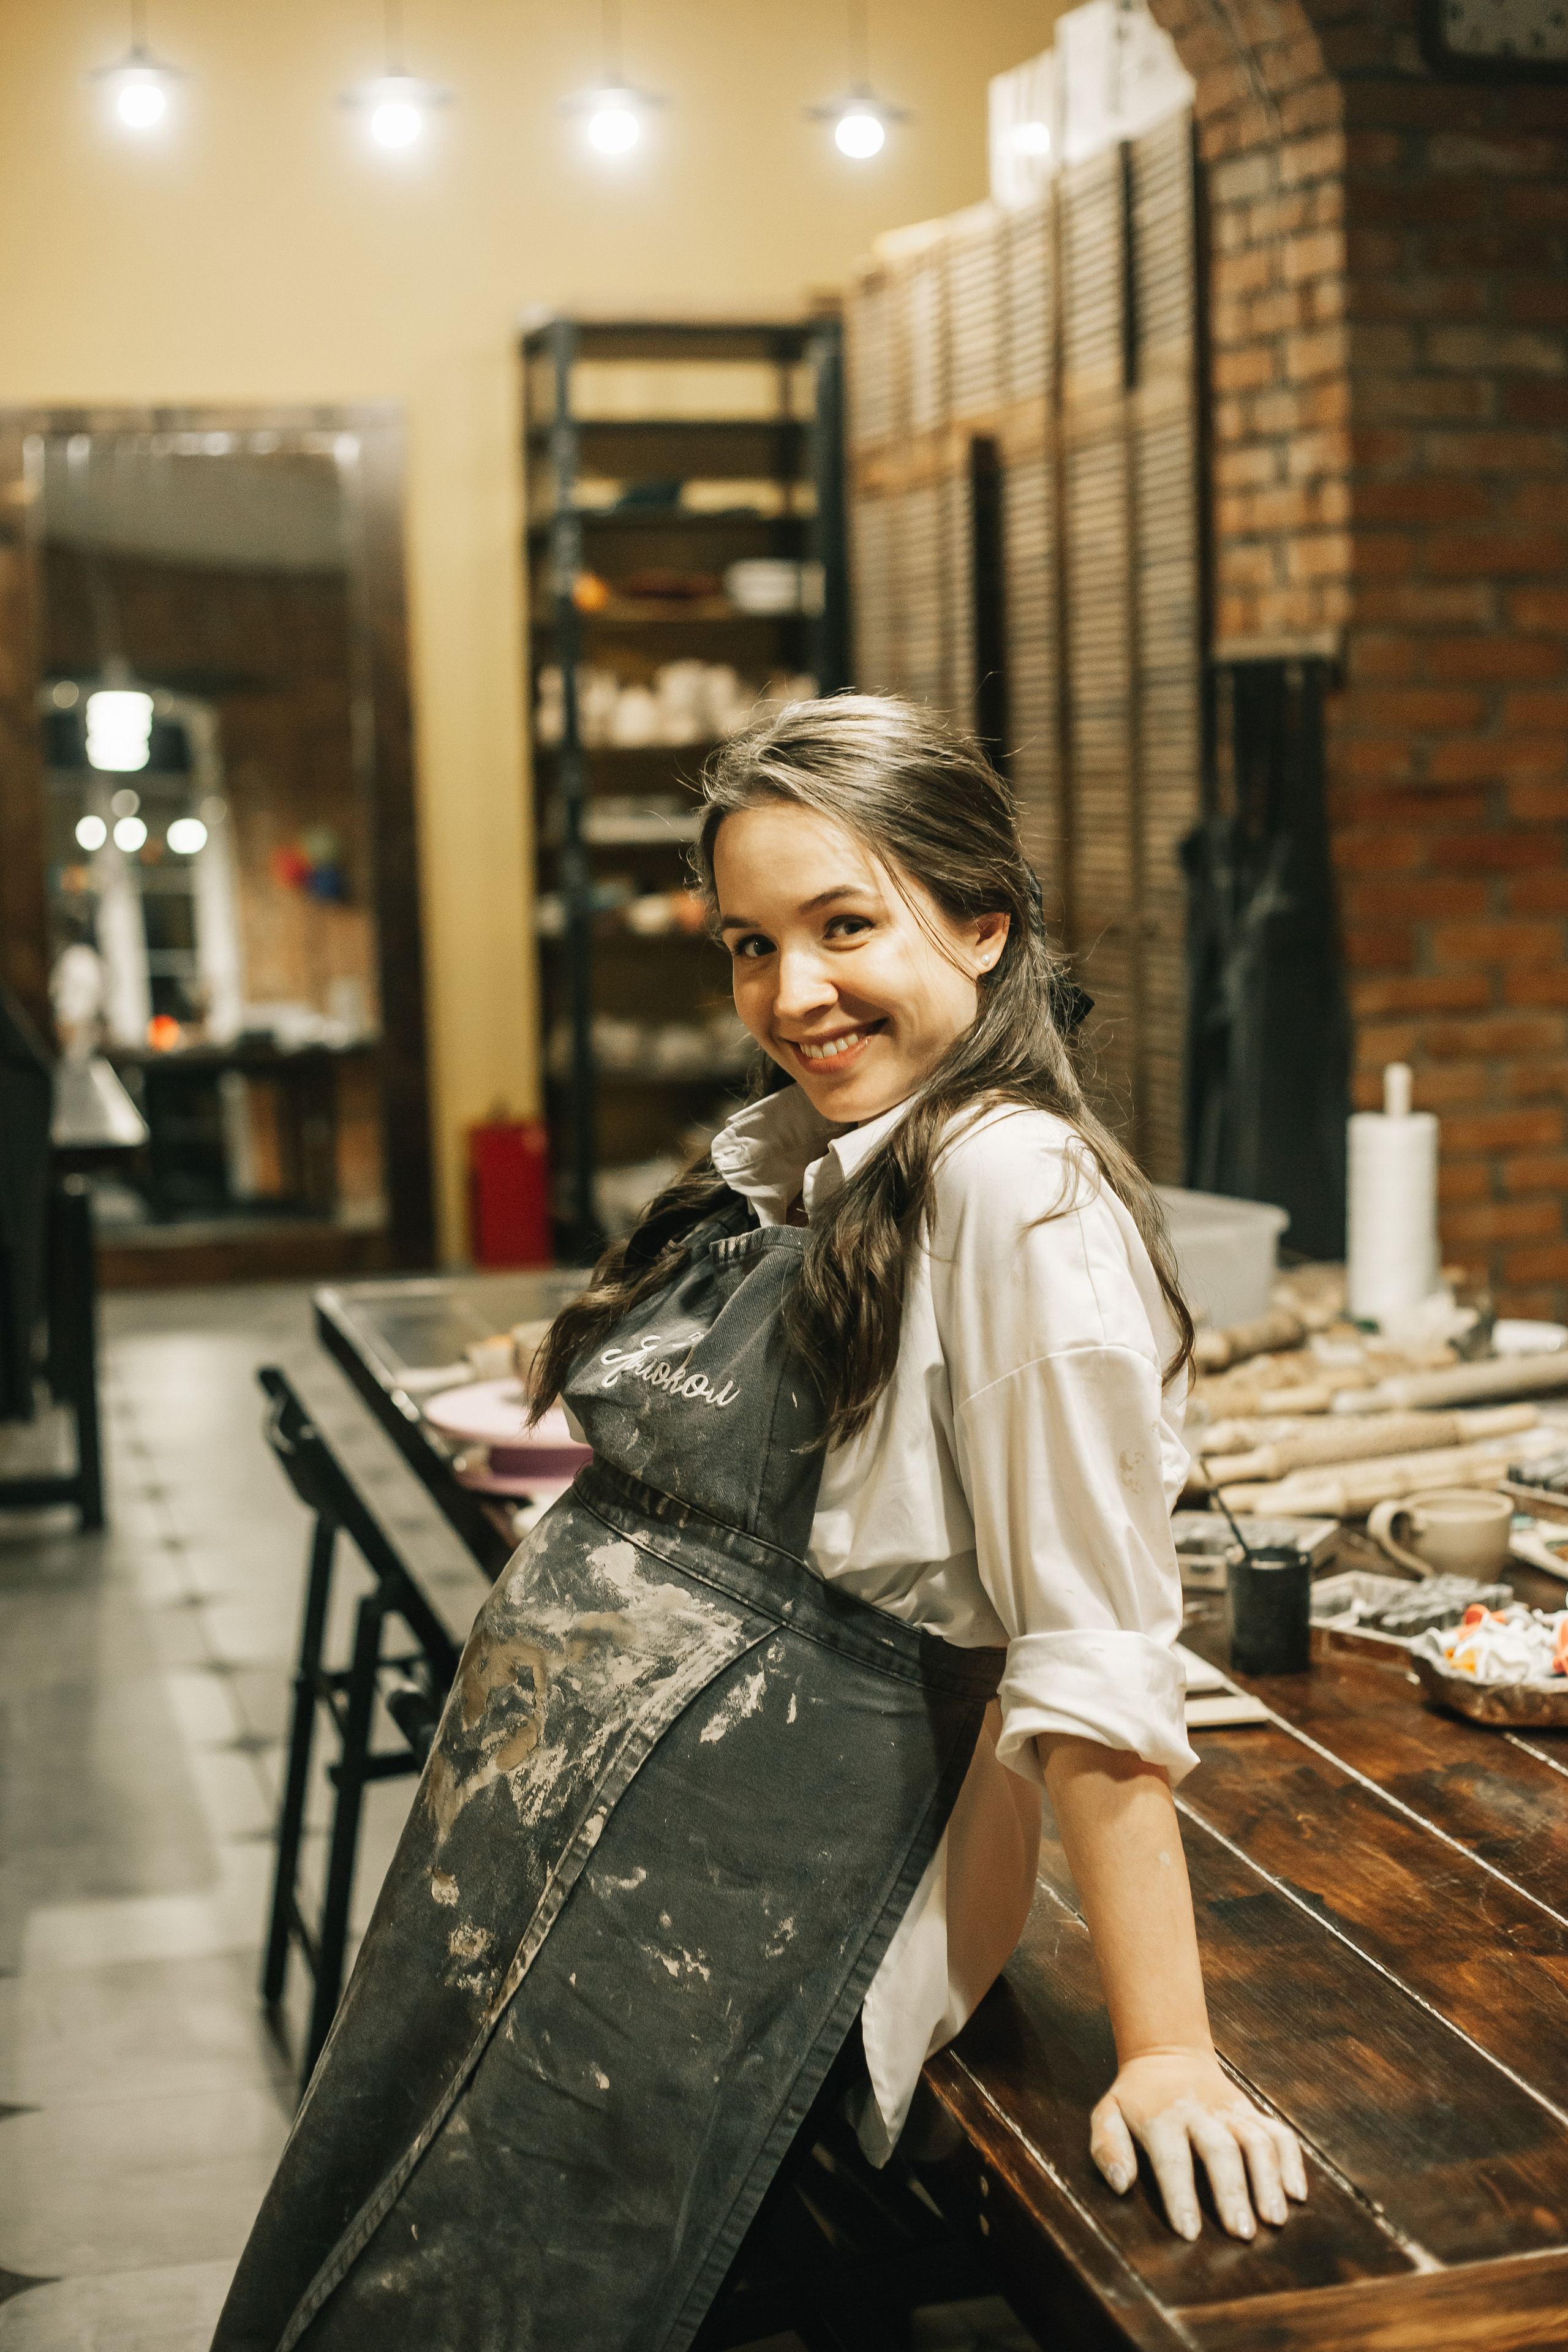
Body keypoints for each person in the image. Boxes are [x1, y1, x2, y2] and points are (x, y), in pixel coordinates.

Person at [213, 696, 1304, 2352]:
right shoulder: (832, 1152)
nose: (792, 995)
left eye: (844, 926)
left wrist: (1167, 2052)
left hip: (751, 1909)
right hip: (582, 1856)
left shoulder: (1018, 1195)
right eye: (750, 945)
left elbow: (1093, 1652)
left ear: (983, 921)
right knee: (375, 2233)